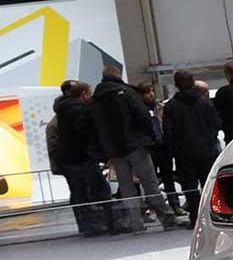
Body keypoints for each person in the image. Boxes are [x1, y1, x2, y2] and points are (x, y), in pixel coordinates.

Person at [88, 65, 182, 232]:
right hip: (135, 145)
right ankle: (168, 220)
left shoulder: (96, 99)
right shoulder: (127, 92)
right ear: (119, 75)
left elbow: (93, 126)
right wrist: (150, 136)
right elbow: (142, 116)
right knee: (150, 183)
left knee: (126, 187)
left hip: (114, 150)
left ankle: (136, 224)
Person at [50, 80, 113, 237]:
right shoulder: (79, 111)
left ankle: (87, 226)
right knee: (100, 190)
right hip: (82, 157)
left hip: (69, 159)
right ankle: (108, 223)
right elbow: (84, 133)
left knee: (79, 193)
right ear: (84, 94)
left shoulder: (63, 110)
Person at [163, 70, 223, 226]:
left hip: (184, 153)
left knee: (189, 187)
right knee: (208, 185)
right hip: (207, 150)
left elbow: (168, 133)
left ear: (176, 84)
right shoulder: (205, 103)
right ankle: (212, 216)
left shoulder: (171, 106)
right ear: (192, 82)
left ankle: (195, 218)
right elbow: (217, 123)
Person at [137, 80, 181, 210]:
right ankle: (153, 206)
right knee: (151, 179)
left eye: (152, 91)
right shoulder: (140, 109)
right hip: (150, 147)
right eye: (147, 92)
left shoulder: (160, 107)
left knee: (168, 176)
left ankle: (174, 205)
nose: (151, 94)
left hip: (164, 145)